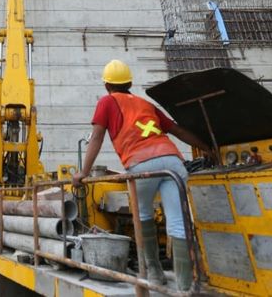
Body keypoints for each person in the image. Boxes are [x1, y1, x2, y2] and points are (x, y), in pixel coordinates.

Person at [72, 60, 209, 290]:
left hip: (142, 166)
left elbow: (96, 137)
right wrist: (206, 147)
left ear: (107, 85)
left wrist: (83, 173)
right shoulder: (146, 105)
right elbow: (177, 130)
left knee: (143, 216)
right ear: (130, 84)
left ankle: (154, 275)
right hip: (173, 164)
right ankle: (186, 286)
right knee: (178, 222)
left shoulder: (106, 102)